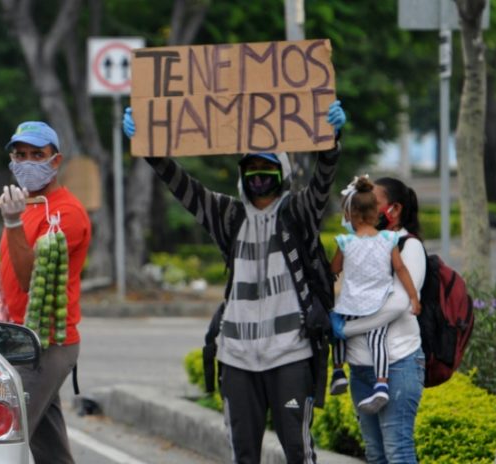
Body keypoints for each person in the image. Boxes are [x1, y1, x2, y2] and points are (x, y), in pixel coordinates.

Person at [123, 101, 346, 464]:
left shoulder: (298, 213)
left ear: (283, 172)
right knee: (243, 455)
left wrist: (331, 140)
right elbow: (182, 186)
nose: (258, 174)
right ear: (241, 173)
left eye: (267, 167)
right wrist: (150, 149)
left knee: (298, 452)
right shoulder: (227, 215)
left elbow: (323, 180)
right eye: (251, 167)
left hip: (290, 354)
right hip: (236, 358)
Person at [0, 121, 91, 464]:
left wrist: (12, 223)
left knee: (6, 435)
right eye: (20, 154)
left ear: (56, 161)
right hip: (20, 336)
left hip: (46, 343)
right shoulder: (28, 206)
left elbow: (27, 280)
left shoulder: (67, 214)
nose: (27, 161)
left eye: (37, 154)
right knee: (49, 450)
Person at [331, 177, 426, 464]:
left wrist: (346, 328)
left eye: (371, 202)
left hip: (399, 362)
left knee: (397, 451)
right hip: (361, 367)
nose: (361, 207)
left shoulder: (408, 246)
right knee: (375, 453)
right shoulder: (356, 244)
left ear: (392, 210)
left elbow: (398, 304)